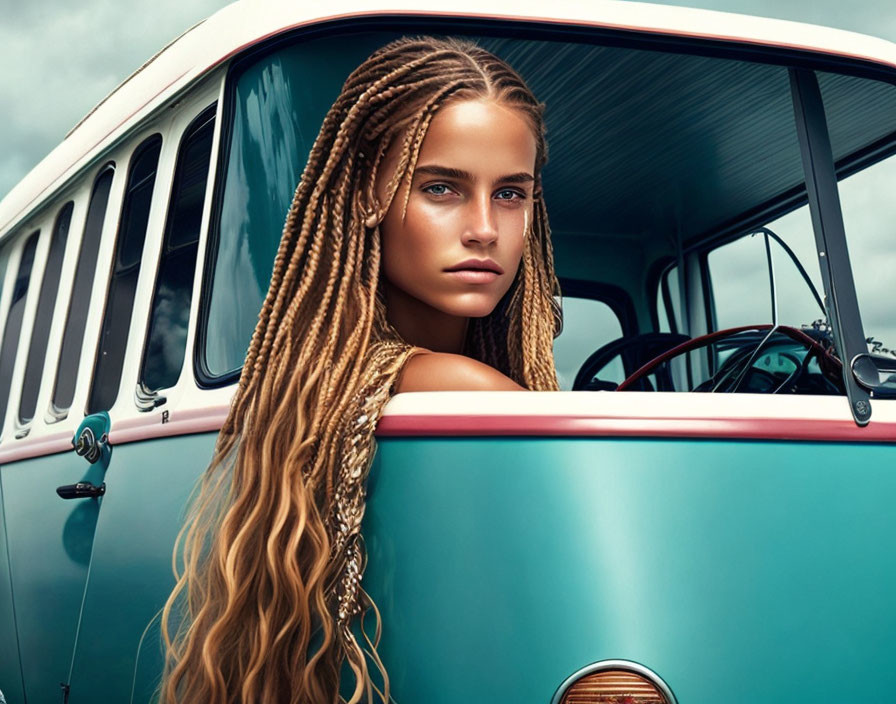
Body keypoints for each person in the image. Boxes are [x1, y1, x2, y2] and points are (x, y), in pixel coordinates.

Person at [160, 36, 561, 704]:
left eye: (511, 194)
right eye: (442, 187)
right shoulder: (467, 389)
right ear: (365, 194)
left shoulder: (318, 385)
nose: (485, 228)